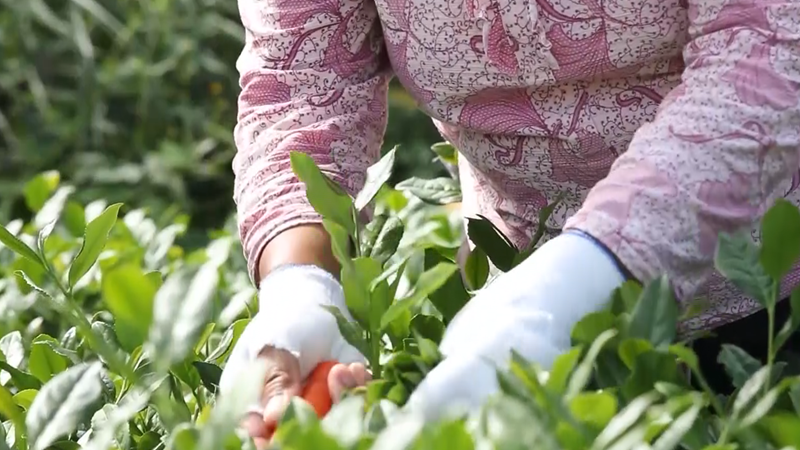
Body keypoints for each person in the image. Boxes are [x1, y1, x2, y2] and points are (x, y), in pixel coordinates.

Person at [219, 0, 800, 444]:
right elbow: (301, 86)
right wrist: (300, 291)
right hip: (516, 320)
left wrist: (578, 281)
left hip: (770, 300)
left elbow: (767, 56)